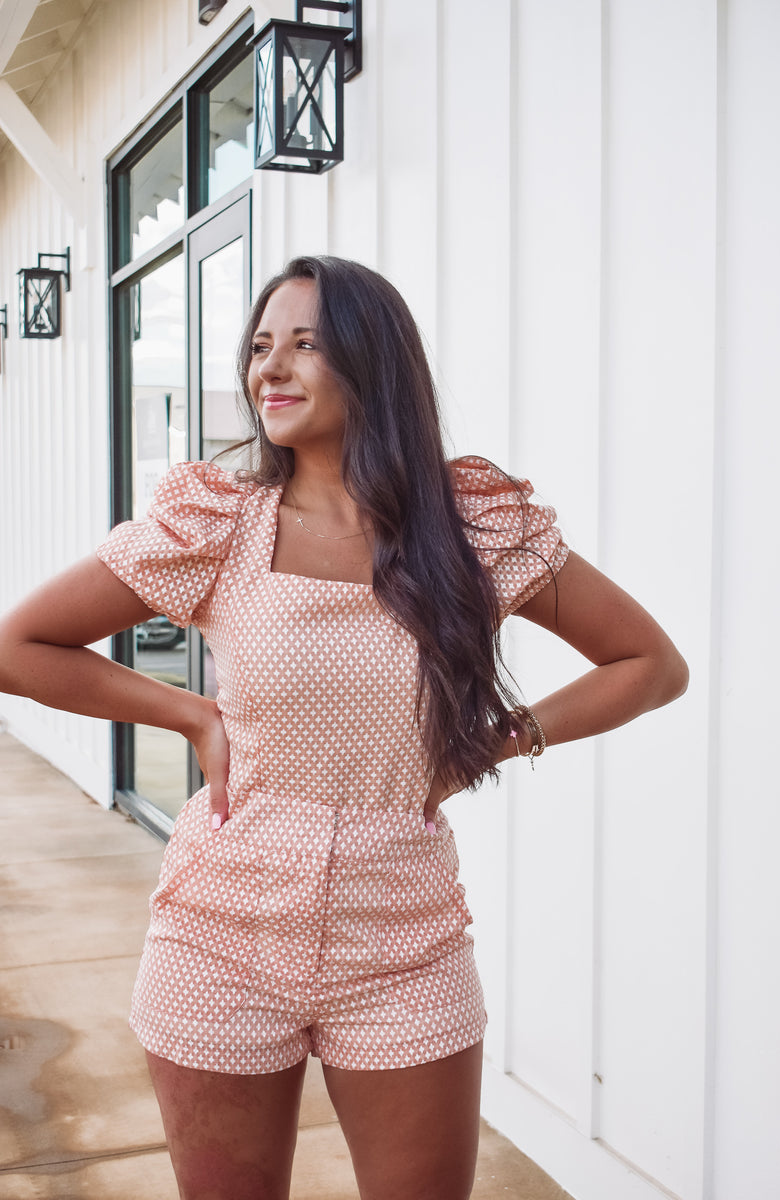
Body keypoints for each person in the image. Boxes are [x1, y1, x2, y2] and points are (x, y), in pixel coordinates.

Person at [0, 255, 688, 1200]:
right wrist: (189, 712)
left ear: (374, 362)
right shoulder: (219, 523)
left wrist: (496, 738)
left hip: (403, 932)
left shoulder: (472, 526)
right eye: (258, 346)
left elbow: (651, 665)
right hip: (222, 927)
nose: (267, 370)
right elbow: (20, 644)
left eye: (305, 344)